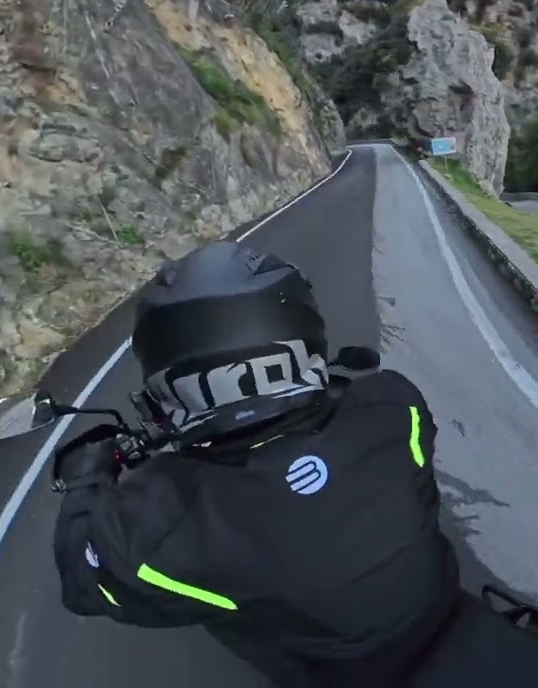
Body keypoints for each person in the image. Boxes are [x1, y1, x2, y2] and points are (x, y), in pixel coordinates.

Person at [50, 240, 461, 687]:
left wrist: (86, 477)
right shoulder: (396, 405)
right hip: (443, 611)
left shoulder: (157, 531)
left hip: (341, 673)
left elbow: (88, 580)